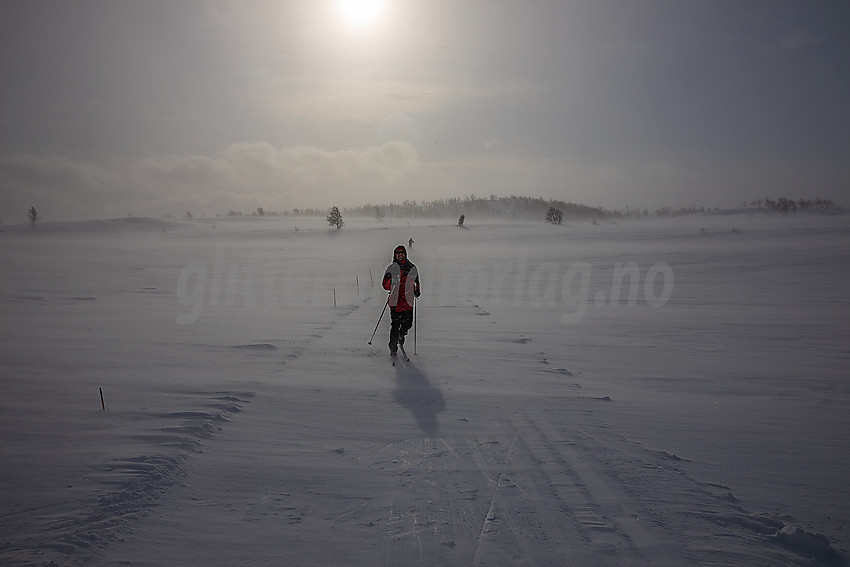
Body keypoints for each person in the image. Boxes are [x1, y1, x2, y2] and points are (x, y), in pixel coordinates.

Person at [382, 245, 420, 357]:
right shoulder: (391, 268)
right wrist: (392, 282)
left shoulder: (412, 267)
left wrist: (417, 290)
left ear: (405, 254)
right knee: (395, 325)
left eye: (402, 253)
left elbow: (417, 282)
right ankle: (393, 347)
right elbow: (385, 284)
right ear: (395, 255)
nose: (400, 255)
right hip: (395, 302)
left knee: (408, 324)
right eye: (397, 253)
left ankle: (401, 335)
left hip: (408, 301)